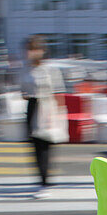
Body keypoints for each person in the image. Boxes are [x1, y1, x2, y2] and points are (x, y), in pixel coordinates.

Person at [21, 35, 68, 194]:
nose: (31, 53)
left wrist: (59, 113)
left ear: (41, 51)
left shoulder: (50, 69)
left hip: (47, 107)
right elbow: (24, 91)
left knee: (46, 145)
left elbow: (58, 92)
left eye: (34, 49)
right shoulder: (26, 69)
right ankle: (42, 179)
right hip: (33, 106)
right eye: (29, 50)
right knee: (35, 144)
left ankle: (45, 180)